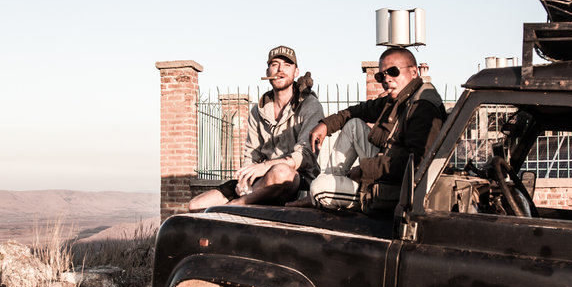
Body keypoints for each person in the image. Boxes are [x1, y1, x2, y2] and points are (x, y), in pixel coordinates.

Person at [299, 47, 446, 210]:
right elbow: (357, 111)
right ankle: (326, 187)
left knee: (320, 189)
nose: (386, 79)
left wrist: (365, 169)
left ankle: (320, 194)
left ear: (413, 72)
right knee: (354, 125)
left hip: (402, 192)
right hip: (387, 169)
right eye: (381, 75)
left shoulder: (422, 107)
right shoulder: (401, 98)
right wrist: (326, 124)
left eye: (393, 71)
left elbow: (417, 166)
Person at [188, 45, 323, 210]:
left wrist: (265, 166)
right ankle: (245, 198)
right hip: (262, 179)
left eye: (287, 65)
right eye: (275, 64)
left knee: (281, 172)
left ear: (296, 72)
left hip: (297, 179)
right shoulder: (258, 110)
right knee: (195, 205)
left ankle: (237, 205)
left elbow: (306, 155)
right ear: (267, 73)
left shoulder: (310, 106)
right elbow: (251, 154)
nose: (280, 69)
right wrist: (244, 179)